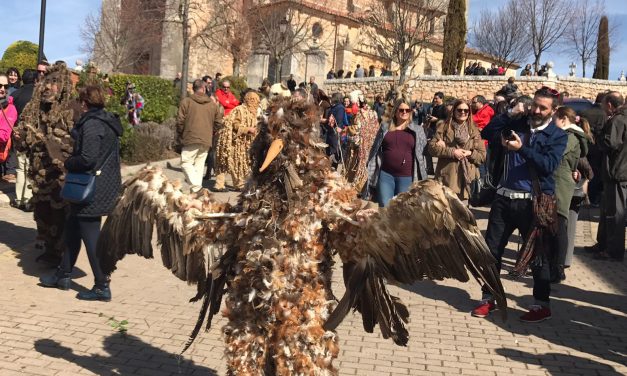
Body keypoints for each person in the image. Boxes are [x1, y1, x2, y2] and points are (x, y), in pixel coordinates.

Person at [472, 87, 567, 322]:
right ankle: (488, 298)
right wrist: (509, 113)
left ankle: (541, 305)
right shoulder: (518, 123)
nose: (536, 110)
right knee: (490, 252)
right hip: (503, 199)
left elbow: (548, 166)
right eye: (534, 105)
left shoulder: (558, 135)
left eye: (542, 108)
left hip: (532, 204)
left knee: (538, 256)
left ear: (553, 110)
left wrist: (522, 149)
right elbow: (487, 131)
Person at [39, 85, 123, 301]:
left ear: (85, 103)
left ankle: (102, 285)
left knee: (91, 236)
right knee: (72, 229)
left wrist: (68, 161)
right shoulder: (106, 120)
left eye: (80, 102)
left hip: (92, 189)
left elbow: (87, 158)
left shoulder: (93, 124)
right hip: (102, 184)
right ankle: (63, 275)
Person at [363, 98, 428, 207]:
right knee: (384, 205)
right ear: (395, 111)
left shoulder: (417, 130)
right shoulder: (385, 127)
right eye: (401, 110)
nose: (404, 112)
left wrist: (438, 143)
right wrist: (369, 166)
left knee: (402, 208)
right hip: (386, 174)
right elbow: (375, 148)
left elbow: (425, 150)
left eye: (407, 110)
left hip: (407, 176)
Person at [586, 92, 627, 262]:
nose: (602, 107)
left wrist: (598, 137)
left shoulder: (618, 120)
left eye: (603, 104)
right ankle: (602, 243)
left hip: (617, 172)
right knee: (606, 211)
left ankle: (614, 251)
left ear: (609, 104)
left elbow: (610, 143)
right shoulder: (619, 118)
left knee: (615, 213)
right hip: (614, 172)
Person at [551, 106, 589, 282]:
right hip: (559, 182)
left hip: (561, 185)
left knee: (560, 225)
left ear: (564, 118)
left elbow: (556, 154)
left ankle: (559, 267)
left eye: (555, 118)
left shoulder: (571, 137)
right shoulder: (568, 135)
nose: (552, 121)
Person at [428, 100, 486, 202]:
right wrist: (452, 152)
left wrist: (470, 153)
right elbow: (432, 148)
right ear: (454, 111)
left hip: (467, 180)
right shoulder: (444, 127)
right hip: (447, 178)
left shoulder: (474, 130)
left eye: (466, 110)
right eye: (459, 110)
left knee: (462, 215)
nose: (463, 113)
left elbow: (482, 156)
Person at [177, 79, 223, 193]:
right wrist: (211, 132)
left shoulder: (186, 102)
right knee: (199, 166)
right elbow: (219, 122)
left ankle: (197, 187)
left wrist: (181, 133)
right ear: (204, 88)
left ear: (194, 89)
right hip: (206, 139)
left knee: (185, 162)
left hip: (191, 137)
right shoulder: (213, 105)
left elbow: (180, 121)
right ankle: (196, 193)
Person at [214, 91, 259, 192]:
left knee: (237, 163)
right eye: (253, 100)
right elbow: (235, 125)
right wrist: (248, 129)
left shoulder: (251, 113)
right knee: (225, 162)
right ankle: (219, 184)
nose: (255, 103)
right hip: (231, 141)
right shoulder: (240, 110)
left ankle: (238, 184)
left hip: (240, 142)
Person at [8, 69, 37, 211]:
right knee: (31, 167)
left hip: (18, 133)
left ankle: (18, 199)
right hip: (34, 134)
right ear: (35, 80)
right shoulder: (38, 96)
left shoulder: (15, 94)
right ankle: (28, 199)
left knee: (20, 168)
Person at [322, 93, 349, 167]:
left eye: (332, 97)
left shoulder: (340, 108)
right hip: (330, 131)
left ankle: (336, 166)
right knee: (329, 148)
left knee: (335, 150)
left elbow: (338, 121)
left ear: (336, 98)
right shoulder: (333, 107)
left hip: (335, 132)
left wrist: (329, 121)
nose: (331, 99)